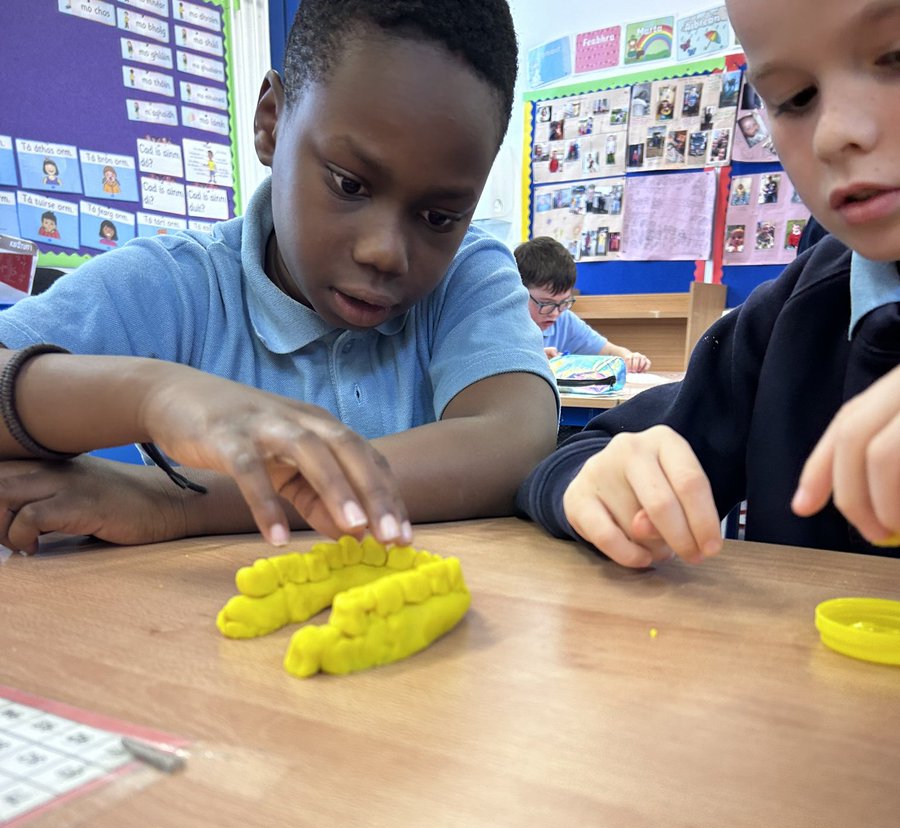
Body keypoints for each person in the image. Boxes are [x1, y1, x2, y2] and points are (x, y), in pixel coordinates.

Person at [0, 0, 557, 555]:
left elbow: (515, 442)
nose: (385, 253)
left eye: (439, 217)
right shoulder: (178, 285)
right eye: (349, 184)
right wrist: (154, 395)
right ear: (271, 122)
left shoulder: (468, 275)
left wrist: (177, 501)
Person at [516, 0, 900, 567]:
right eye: (794, 98)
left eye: (894, 56)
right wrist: (593, 487)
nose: (834, 134)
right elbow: (579, 458)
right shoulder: (788, 323)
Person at [514, 237, 652, 372]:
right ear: (517, 293)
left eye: (564, 302)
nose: (555, 313)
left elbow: (609, 351)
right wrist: (529, 360)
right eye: (546, 303)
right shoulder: (500, 322)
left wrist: (629, 358)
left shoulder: (564, 320)